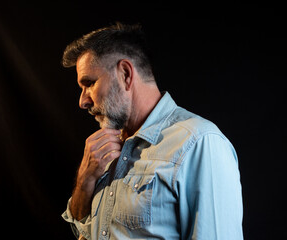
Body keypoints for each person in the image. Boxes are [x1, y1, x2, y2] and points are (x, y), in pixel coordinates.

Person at [61, 22, 243, 240]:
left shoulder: (200, 142)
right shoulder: (104, 151)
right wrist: (85, 180)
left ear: (126, 74)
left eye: (89, 83)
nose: (83, 101)